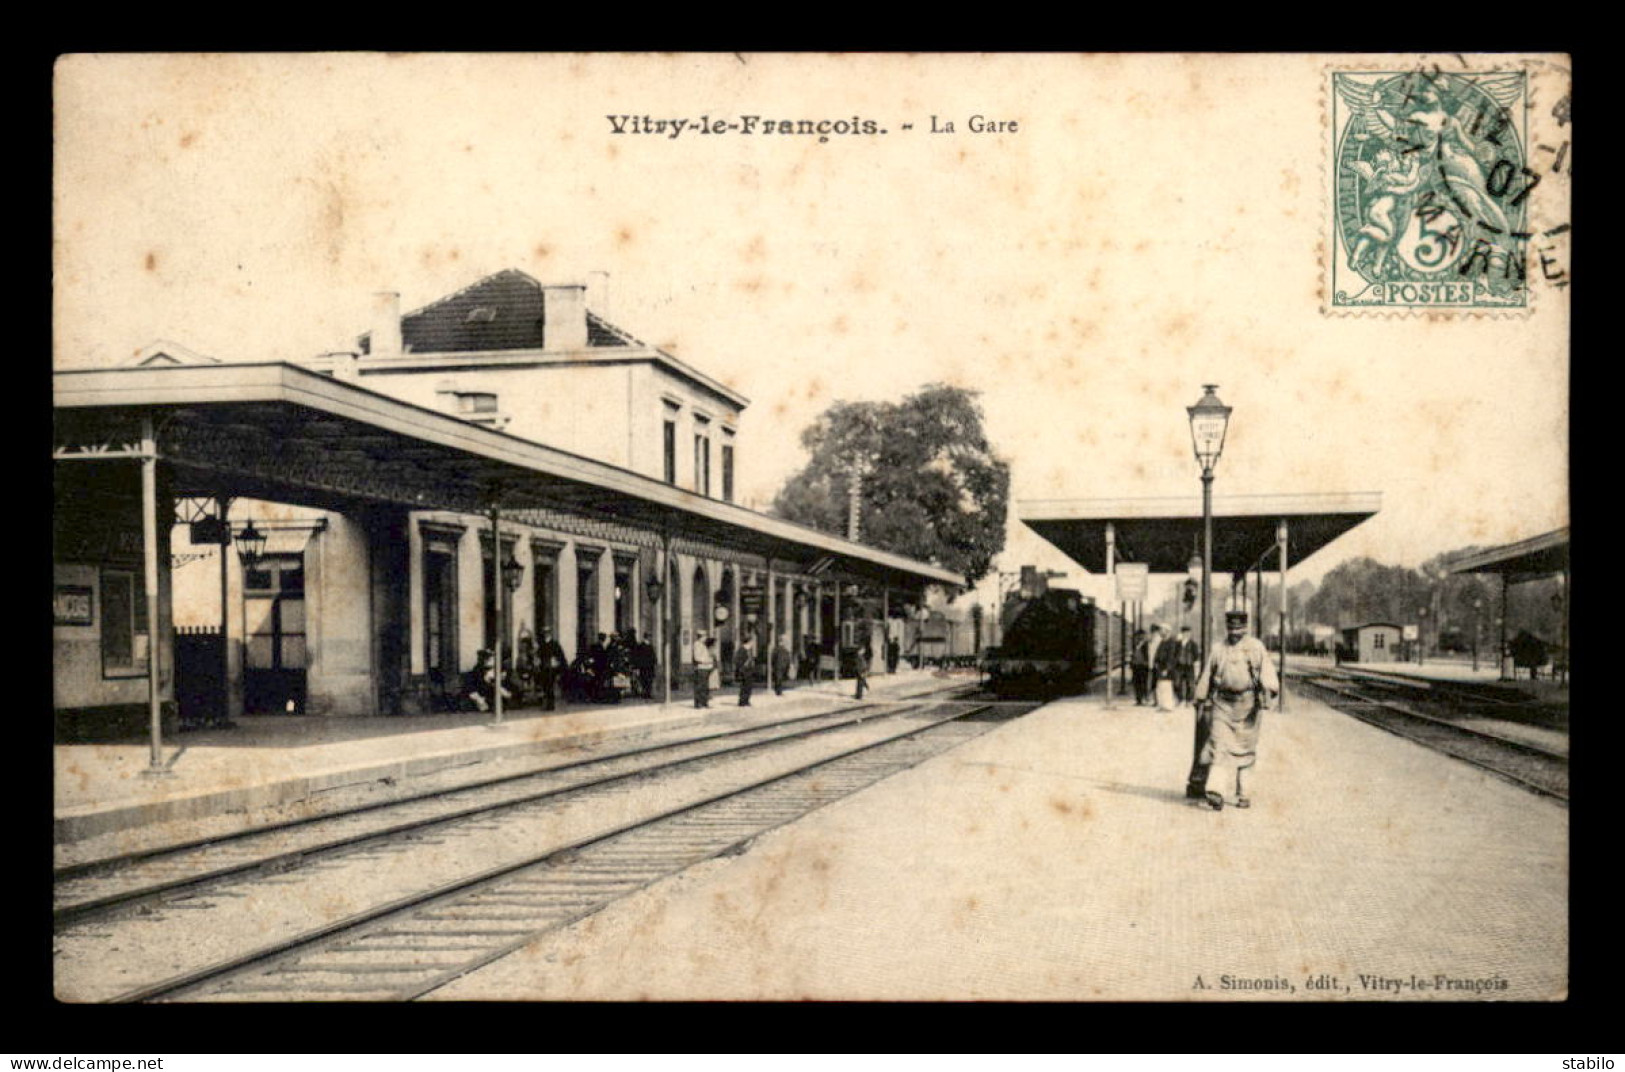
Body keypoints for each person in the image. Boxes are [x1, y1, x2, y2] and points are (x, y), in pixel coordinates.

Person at [1190, 610, 1280, 810]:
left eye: (1239, 630)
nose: (1235, 634)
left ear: (1246, 629)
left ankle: (1244, 793)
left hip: (1248, 707)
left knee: (1246, 750)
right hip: (1223, 705)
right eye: (1232, 629)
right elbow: (1206, 674)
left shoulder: (1256, 648)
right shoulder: (1218, 649)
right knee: (1218, 745)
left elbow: (1268, 673)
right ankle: (1216, 791)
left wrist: (1269, 690)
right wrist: (1200, 697)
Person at [534, 626, 567, 711]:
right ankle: (546, 704)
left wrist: (558, 664)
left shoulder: (555, 644)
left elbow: (560, 656)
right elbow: (538, 655)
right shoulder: (542, 644)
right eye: (545, 633)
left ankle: (551, 705)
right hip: (544, 667)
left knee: (550, 686)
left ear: (550, 633)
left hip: (552, 668)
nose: (546, 634)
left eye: (547, 632)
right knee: (545, 686)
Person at [1151, 623, 1179, 711]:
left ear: (1167, 631)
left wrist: (1167, 668)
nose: (1160, 632)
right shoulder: (1163, 641)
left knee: (1166, 687)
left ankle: (1167, 706)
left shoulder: (1171, 642)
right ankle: (1162, 705)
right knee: (1161, 686)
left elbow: (1170, 657)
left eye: (1162, 630)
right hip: (1160, 667)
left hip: (1166, 668)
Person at [1173, 625, 1199, 705]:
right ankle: (1179, 699)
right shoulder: (1177, 643)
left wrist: (1191, 661)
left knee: (1190, 684)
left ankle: (1189, 700)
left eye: (1188, 633)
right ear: (1182, 633)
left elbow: (1196, 655)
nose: (1186, 635)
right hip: (1179, 665)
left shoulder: (1193, 644)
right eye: (1184, 633)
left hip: (1189, 665)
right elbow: (1174, 653)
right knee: (1177, 683)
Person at [691, 632, 714, 708]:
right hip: (701, 668)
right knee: (700, 686)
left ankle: (704, 702)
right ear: (701, 637)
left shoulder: (704, 644)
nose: (706, 638)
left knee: (705, 687)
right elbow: (697, 657)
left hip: (706, 668)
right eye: (704, 636)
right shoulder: (697, 644)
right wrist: (706, 661)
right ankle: (698, 704)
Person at [735, 632, 758, 706]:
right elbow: (737, 661)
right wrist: (741, 668)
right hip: (744, 671)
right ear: (749, 641)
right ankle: (742, 701)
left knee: (749, 686)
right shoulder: (742, 650)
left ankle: (747, 700)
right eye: (752, 641)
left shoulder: (749, 650)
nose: (753, 643)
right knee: (744, 686)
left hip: (750, 670)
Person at [1130, 629, 1151, 705]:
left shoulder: (1147, 644)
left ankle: (1144, 699)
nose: (1139, 638)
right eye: (1138, 636)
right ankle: (1138, 700)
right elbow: (1133, 655)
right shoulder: (1135, 645)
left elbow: (1148, 655)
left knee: (1143, 683)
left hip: (1143, 666)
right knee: (1136, 683)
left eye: (1141, 636)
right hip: (1136, 666)